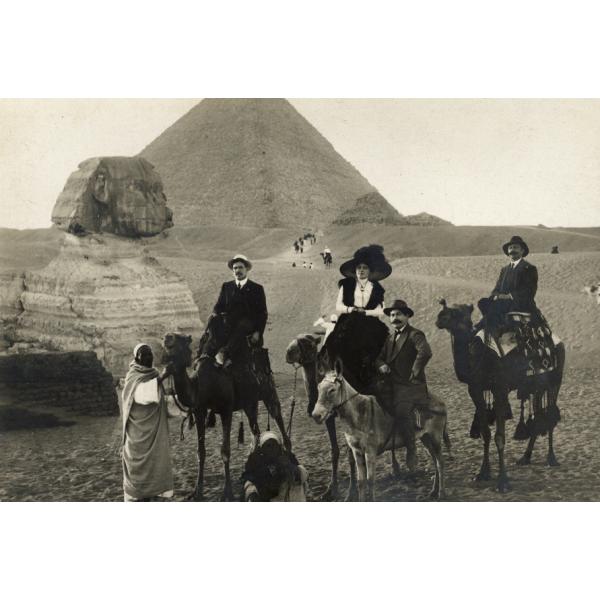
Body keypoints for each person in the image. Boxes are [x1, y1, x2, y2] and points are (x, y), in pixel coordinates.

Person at [376, 300, 432, 472]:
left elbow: (425, 352)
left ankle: (411, 450)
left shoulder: (415, 334)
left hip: (411, 385)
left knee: (401, 411)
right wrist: (381, 365)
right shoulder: (389, 338)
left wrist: (414, 372)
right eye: (392, 315)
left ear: (407, 316)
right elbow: (378, 357)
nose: (395, 318)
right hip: (392, 383)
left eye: (399, 314)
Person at [325, 244, 391, 391]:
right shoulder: (346, 285)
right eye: (359, 267)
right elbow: (339, 306)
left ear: (370, 271)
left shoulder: (377, 288)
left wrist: (366, 312)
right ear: (355, 270)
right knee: (331, 343)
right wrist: (351, 309)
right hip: (348, 321)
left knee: (380, 347)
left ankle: (377, 378)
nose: (361, 270)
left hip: (370, 324)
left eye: (365, 268)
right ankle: (333, 375)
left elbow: (381, 310)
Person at [121, 343, 173, 501]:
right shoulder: (133, 377)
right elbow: (142, 395)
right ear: (136, 358)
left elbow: (160, 401)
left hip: (156, 437)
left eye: (150, 354)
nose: (148, 357)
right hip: (138, 437)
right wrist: (163, 377)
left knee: (158, 464)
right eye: (144, 355)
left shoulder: (152, 375)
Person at [212, 254, 268, 368]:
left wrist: (258, 332)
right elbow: (219, 306)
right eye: (235, 268)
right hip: (229, 323)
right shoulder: (227, 286)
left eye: (240, 267)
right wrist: (215, 314)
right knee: (213, 321)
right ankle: (203, 356)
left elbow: (262, 313)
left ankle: (225, 353)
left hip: (248, 325)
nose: (238, 270)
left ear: (246, 269)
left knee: (243, 324)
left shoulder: (256, 288)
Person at [241, 432, 308, 501]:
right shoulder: (258, 462)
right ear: (262, 450)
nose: (271, 448)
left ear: (279, 447)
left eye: (274, 445)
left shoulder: (288, 457)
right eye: (268, 446)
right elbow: (248, 478)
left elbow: (302, 475)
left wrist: (288, 465)